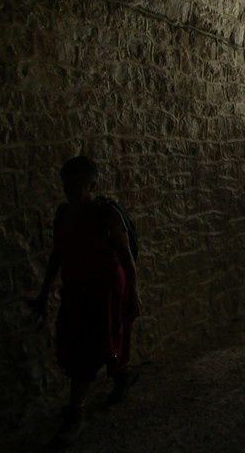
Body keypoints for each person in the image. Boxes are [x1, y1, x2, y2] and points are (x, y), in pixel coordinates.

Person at [31, 156, 141, 443]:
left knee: (99, 342)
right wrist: (43, 293)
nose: (70, 189)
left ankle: (75, 412)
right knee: (86, 343)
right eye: (67, 183)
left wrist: (134, 292)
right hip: (77, 290)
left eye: (76, 183)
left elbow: (127, 258)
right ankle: (122, 377)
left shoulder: (106, 215)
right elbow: (58, 255)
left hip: (106, 289)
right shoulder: (64, 214)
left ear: (91, 184)